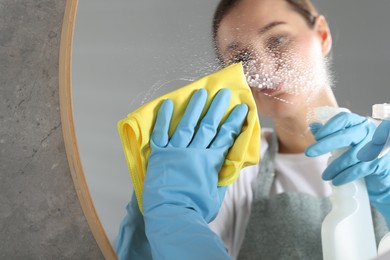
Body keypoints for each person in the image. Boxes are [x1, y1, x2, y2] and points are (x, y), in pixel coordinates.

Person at [115, 0, 390, 259]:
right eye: (241, 59)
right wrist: (165, 212)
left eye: (278, 40)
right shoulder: (232, 174)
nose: (262, 68)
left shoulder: (385, 151)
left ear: (322, 34)